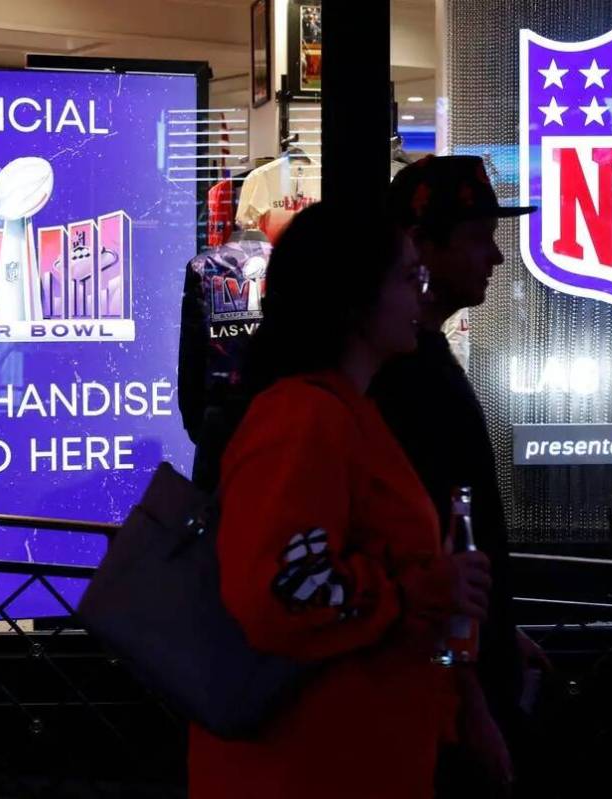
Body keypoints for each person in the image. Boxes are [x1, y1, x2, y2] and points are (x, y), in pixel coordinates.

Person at [187, 201, 495, 799]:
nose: (420, 297)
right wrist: (421, 591)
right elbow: (281, 591)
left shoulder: (342, 410)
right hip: (304, 765)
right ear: (355, 299)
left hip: (346, 757)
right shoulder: (304, 417)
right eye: (409, 279)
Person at [370, 155, 547, 798]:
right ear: (420, 248)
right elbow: (424, 547)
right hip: (435, 698)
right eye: (478, 239)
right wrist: (469, 699)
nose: (495, 259)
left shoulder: (422, 358)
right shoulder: (402, 376)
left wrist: (498, 631)